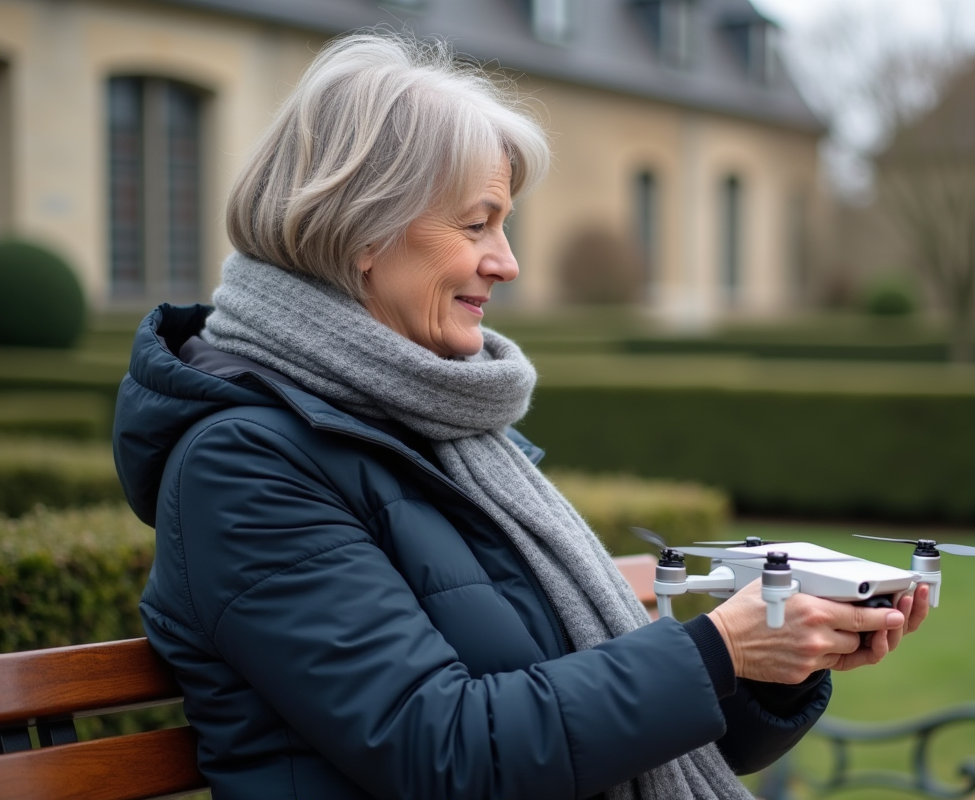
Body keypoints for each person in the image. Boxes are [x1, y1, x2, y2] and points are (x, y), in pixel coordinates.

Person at [113, 31, 928, 800]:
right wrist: (715, 651)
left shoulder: (436, 423)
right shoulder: (244, 464)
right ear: (363, 230)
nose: (507, 262)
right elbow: (442, 750)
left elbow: (638, 745)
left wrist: (777, 657)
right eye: (477, 224)